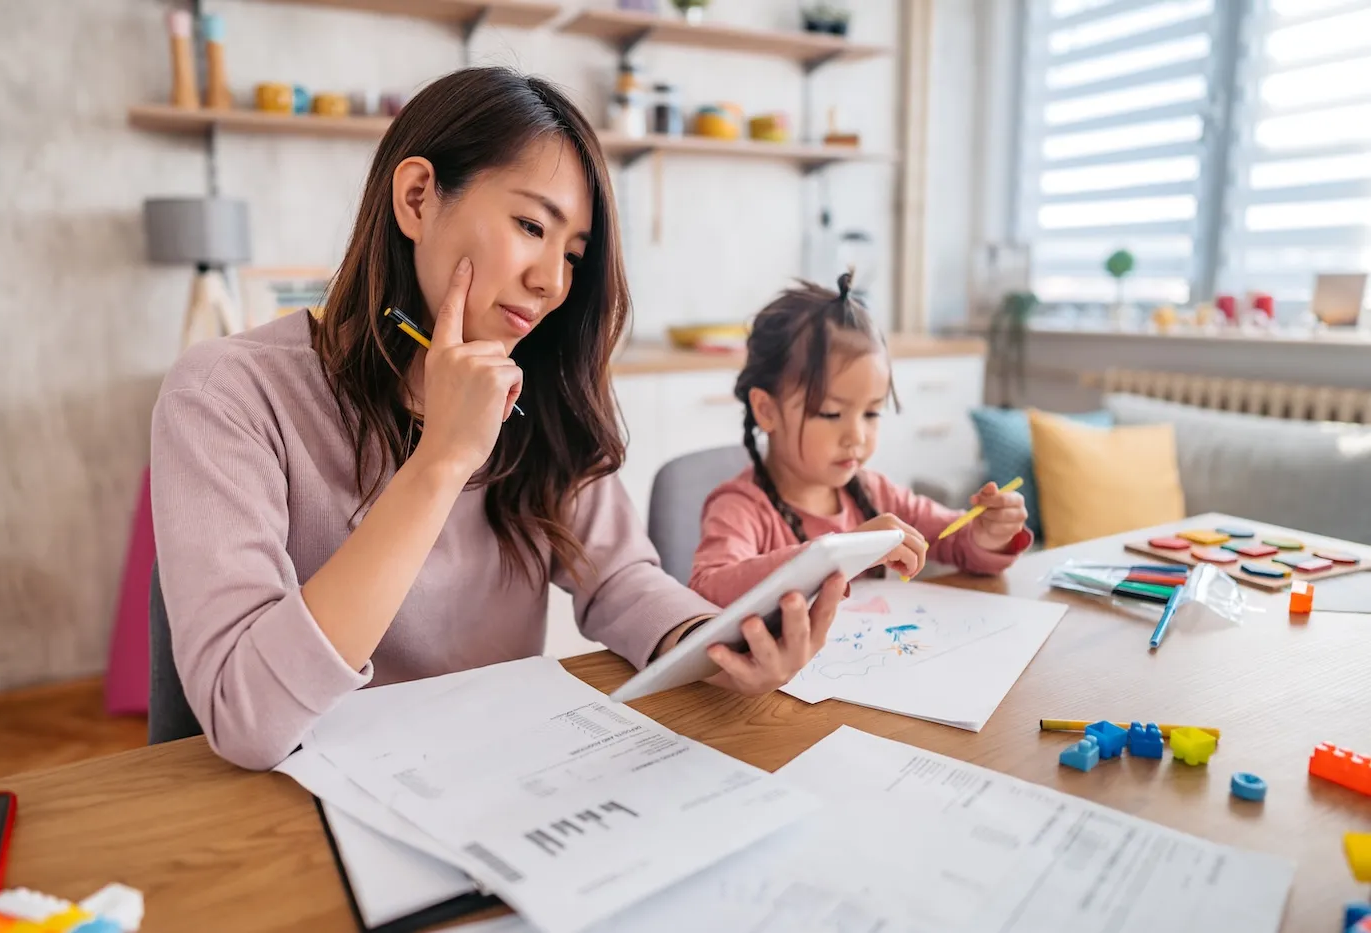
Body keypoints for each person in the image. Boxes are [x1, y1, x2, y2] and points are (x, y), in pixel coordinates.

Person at [151, 67, 846, 771]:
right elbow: (245, 716)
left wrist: (714, 642)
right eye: (529, 225)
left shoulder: (535, 388)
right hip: (300, 808)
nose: (551, 281)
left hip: (500, 776)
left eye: (572, 255)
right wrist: (442, 460)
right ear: (417, 197)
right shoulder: (228, 393)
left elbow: (620, 578)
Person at [689, 273, 1032, 609]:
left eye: (871, 414)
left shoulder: (876, 493)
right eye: (830, 413)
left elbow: (954, 539)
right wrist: (841, 552)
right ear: (767, 410)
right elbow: (709, 590)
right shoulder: (740, 508)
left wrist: (987, 534)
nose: (856, 436)